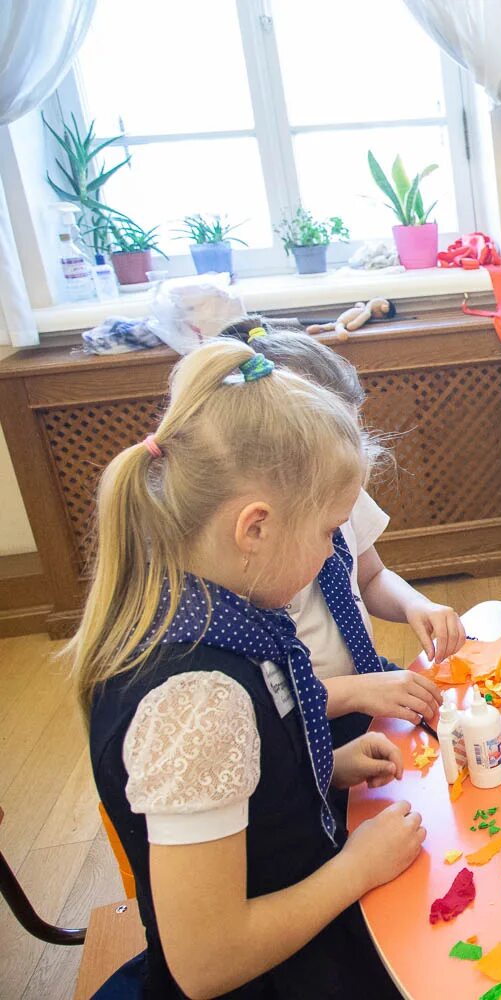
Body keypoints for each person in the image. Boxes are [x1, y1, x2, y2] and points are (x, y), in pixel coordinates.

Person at [71, 340, 422, 997]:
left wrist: (320, 768)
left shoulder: (218, 612)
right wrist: (357, 868)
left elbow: (245, 773)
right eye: (327, 533)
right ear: (254, 528)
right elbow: (208, 962)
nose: (330, 558)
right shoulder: (196, 701)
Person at [221, 318, 460, 745]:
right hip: (307, 724)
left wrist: (414, 604)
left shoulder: (334, 486)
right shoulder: (237, 565)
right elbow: (265, 704)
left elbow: (369, 576)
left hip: (366, 685)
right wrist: (355, 693)